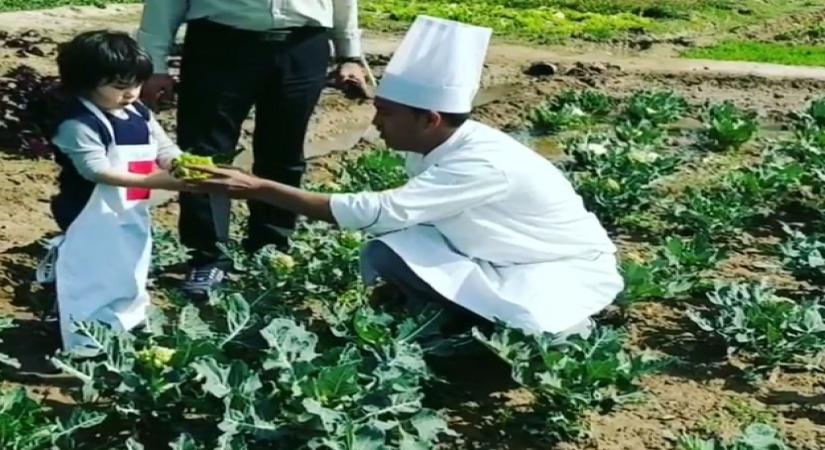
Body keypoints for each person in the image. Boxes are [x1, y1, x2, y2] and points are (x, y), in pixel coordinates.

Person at [185, 16, 624, 337]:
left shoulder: (481, 162)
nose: (376, 124)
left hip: (552, 268)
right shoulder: (435, 144)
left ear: (430, 118)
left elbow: (382, 210)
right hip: (492, 254)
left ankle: (577, 322)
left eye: (386, 114)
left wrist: (255, 186)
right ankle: (460, 316)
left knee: (540, 330)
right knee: (387, 254)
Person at [137, 0, 368, 299]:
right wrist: (154, 64)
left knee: (284, 152)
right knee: (204, 153)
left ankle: (271, 248)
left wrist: (350, 54)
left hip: (303, 45)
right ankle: (209, 256)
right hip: (220, 42)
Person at [38, 30, 186, 352]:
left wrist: (180, 164)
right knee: (91, 274)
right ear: (85, 83)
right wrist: (158, 182)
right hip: (87, 211)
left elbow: (164, 148)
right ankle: (82, 340)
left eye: (135, 84)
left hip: (130, 207)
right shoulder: (78, 124)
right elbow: (96, 171)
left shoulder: (138, 114)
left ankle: (125, 323)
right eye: (119, 87)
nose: (131, 93)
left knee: (130, 266)